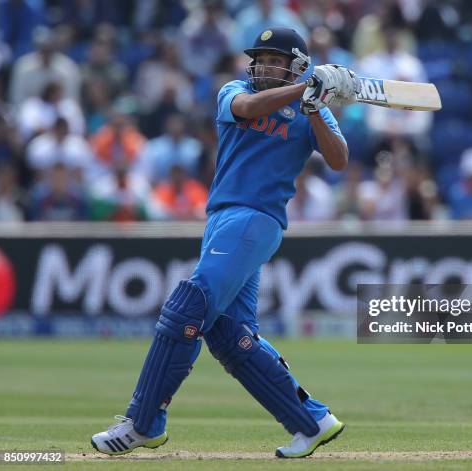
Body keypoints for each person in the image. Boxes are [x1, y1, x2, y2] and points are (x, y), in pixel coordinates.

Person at [91, 27, 356, 458]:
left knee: (187, 310)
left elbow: (339, 158)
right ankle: (312, 421)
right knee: (230, 334)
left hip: (255, 219)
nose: (266, 65)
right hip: (220, 220)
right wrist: (304, 88)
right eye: (262, 58)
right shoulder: (235, 89)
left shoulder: (311, 107)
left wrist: (312, 107)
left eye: (276, 59)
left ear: (297, 64)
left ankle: (143, 423)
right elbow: (248, 107)